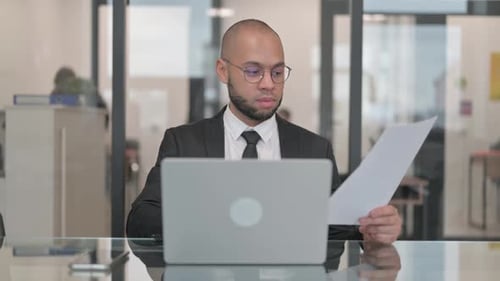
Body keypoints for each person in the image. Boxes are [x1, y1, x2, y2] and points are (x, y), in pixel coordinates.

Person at [126, 19, 402, 244]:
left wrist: (372, 231)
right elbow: (141, 219)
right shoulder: (184, 142)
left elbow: (337, 230)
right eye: (253, 71)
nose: (268, 84)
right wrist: (211, 223)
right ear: (223, 71)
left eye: (278, 73)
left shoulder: (314, 149)